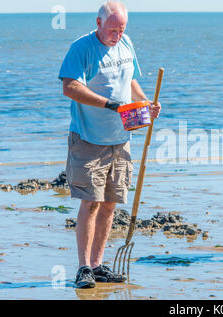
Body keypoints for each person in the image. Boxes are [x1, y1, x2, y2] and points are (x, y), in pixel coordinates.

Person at [58, 1, 161, 289]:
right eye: (113, 29)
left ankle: (97, 264)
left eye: (122, 28)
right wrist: (111, 105)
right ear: (98, 22)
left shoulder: (126, 42)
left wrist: (144, 105)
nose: (117, 34)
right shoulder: (81, 48)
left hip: (121, 139)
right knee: (89, 202)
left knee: (109, 204)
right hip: (89, 139)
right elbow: (70, 87)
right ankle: (83, 269)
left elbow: (132, 82)